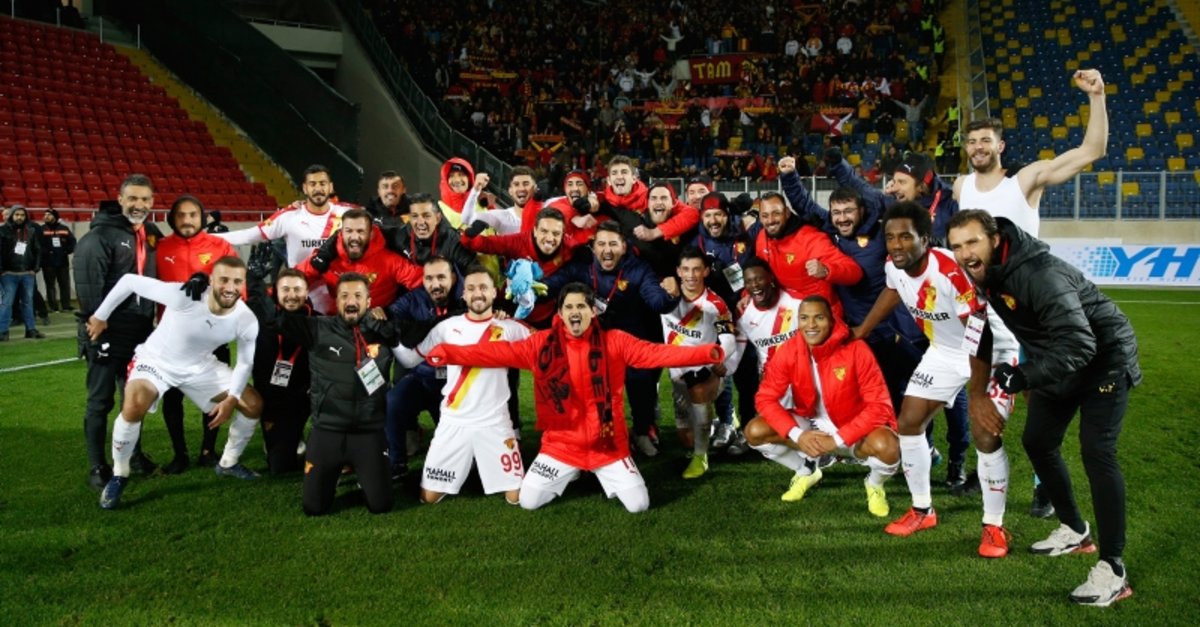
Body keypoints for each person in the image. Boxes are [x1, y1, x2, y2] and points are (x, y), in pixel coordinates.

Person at [947, 210, 1139, 606]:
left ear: (995, 239)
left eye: (972, 242)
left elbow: (1081, 343)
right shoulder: (984, 273)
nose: (965, 253)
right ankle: (1076, 531)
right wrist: (981, 391)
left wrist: (1025, 375)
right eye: (957, 246)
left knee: (1098, 453)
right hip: (1056, 359)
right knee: (1037, 442)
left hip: (1104, 359)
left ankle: (1113, 569)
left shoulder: (1039, 274)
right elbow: (980, 330)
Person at [424, 283, 724, 513]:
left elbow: (656, 353)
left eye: (581, 305)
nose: (575, 312)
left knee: (638, 505)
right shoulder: (541, 344)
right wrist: (449, 352)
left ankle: (597, 471)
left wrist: (705, 353)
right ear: (560, 314)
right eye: (568, 307)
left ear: (593, 311)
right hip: (561, 447)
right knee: (528, 501)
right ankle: (572, 472)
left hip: (608, 446)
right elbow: (495, 353)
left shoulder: (615, 341)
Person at [853, 202, 1019, 558]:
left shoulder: (949, 271)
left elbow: (980, 334)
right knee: (909, 421)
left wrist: (978, 396)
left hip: (992, 350)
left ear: (925, 239)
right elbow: (893, 289)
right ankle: (922, 509)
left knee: (985, 433)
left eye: (905, 237)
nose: (896, 245)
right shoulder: (894, 266)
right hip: (945, 350)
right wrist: (863, 330)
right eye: (890, 237)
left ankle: (994, 525)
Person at [88, 256, 265, 509]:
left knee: (253, 404)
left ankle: (229, 462)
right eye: (224, 280)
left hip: (200, 367)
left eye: (237, 281)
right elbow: (128, 281)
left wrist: (232, 398)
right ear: (211, 280)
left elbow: (245, 364)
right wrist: (100, 316)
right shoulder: (185, 296)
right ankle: (120, 474)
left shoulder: (246, 319)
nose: (230, 287)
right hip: (156, 362)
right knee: (134, 406)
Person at [747, 296, 900, 515]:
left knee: (888, 447)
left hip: (852, 430)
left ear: (831, 320)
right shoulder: (790, 350)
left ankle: (874, 485)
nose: (811, 325)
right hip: (812, 427)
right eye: (804, 318)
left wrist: (837, 439)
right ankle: (807, 469)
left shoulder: (856, 349)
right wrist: (798, 434)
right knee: (755, 431)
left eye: (819, 317)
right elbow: (765, 398)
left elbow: (880, 407)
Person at [542, 221, 681, 456]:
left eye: (613, 244)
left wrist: (671, 295)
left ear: (624, 247)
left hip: (631, 339)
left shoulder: (639, 269)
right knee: (593, 389)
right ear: (593, 247)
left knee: (642, 384)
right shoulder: (582, 267)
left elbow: (657, 302)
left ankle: (641, 432)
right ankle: (593, 435)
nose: (607, 250)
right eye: (602, 244)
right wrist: (531, 289)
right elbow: (553, 284)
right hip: (595, 343)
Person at [395, 266, 532, 504]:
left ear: (493, 293)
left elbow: (545, 349)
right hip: (454, 421)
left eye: (483, 288)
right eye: (471, 288)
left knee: (516, 497)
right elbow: (409, 359)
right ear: (464, 294)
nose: (477, 293)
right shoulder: (446, 327)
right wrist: (390, 338)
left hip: (495, 422)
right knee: (429, 497)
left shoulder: (512, 328)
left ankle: (476, 463)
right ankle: (465, 464)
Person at [281, 272, 400, 516]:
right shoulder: (318, 328)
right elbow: (275, 320)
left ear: (369, 301)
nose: (351, 301)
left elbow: (417, 347)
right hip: (328, 431)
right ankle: (331, 473)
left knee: (381, 505)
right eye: (344, 296)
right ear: (336, 301)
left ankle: (365, 476)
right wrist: (258, 287)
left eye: (357, 295)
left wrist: (390, 330)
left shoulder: (384, 331)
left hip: (368, 432)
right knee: (314, 508)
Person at [75, 175, 164, 488]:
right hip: (107, 331)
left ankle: (133, 455)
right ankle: (97, 466)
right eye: (133, 198)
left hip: (140, 332)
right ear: (120, 199)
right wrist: (96, 324)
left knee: (135, 399)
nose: (139, 205)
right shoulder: (99, 237)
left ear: (152, 202)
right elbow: (88, 289)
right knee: (100, 401)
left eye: (145, 199)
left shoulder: (150, 233)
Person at [953, 70, 1109, 237]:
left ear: (1000, 146)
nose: (978, 147)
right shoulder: (961, 185)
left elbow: (1092, 151)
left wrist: (1097, 96)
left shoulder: (1024, 179)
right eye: (972, 142)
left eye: (985, 140)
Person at [155, 195, 240, 473]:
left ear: (202, 218)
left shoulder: (220, 246)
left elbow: (237, 285)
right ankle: (179, 455)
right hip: (172, 340)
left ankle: (208, 451)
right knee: (172, 398)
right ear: (172, 219)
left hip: (212, 336)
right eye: (181, 215)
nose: (187, 220)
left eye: (193, 214)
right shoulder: (161, 248)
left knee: (215, 395)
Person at [216, 164, 351, 312]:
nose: (318, 188)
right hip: (299, 298)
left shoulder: (348, 214)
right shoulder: (289, 217)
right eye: (312, 184)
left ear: (331, 187)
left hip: (339, 298)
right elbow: (249, 235)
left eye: (322, 183)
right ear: (305, 188)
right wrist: (208, 237)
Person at [660, 248, 740, 479]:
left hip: (703, 369)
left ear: (705, 271)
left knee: (699, 402)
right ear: (678, 271)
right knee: (686, 438)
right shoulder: (665, 294)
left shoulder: (716, 304)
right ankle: (712, 421)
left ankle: (701, 457)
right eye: (686, 269)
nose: (691, 275)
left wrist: (719, 358)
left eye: (696, 269)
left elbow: (729, 339)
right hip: (677, 371)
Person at [385, 256, 464, 477]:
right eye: (429, 278)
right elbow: (394, 323)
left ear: (453, 278)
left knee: (457, 456)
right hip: (422, 378)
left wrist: (419, 330)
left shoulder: (466, 298)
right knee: (393, 401)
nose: (435, 284)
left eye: (441, 277)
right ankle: (396, 462)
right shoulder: (414, 298)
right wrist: (439, 324)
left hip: (455, 384)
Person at [245, 262, 314, 475]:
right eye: (285, 289)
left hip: (305, 398)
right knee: (280, 467)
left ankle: (319, 440)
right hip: (273, 399)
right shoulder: (258, 316)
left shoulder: (316, 320)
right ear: (275, 292)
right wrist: (252, 279)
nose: (291, 295)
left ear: (307, 292)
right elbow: (234, 297)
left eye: (297, 289)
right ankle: (288, 438)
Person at [753, 191, 862, 318]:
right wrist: (747, 295)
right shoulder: (762, 236)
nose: (770, 220)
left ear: (787, 213)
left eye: (776, 213)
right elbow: (759, 273)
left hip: (818, 315)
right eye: (765, 216)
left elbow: (855, 272)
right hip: (785, 311)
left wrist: (827, 270)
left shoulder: (810, 239)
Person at [297, 209, 423, 315]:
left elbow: (424, 283)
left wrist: (393, 311)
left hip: (376, 326)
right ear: (341, 233)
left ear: (371, 234)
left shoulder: (391, 261)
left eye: (361, 231)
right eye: (349, 231)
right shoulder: (327, 257)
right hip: (337, 325)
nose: (354, 237)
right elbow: (294, 280)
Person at [393, 193, 477, 272]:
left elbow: (474, 270)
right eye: (415, 216)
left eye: (426, 216)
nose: (420, 222)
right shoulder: (400, 237)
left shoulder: (453, 241)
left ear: (438, 218)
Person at [0, 204, 45, 340]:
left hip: (27, 274)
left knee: (28, 303)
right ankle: (3, 332)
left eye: (22, 215)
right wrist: (1, 271)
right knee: (7, 303)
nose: (19, 217)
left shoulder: (30, 231)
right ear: (12, 215)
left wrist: (35, 269)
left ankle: (30, 330)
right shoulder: (2, 231)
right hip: (8, 274)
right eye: (17, 214)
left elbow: (37, 250)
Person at [39, 208, 76, 312]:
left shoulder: (64, 228)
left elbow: (72, 242)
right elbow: (38, 244)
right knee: (50, 285)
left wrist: (66, 251)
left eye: (49, 215)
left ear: (55, 216)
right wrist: (45, 253)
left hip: (62, 261)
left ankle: (66, 306)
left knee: (64, 284)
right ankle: (53, 307)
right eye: (45, 215)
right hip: (47, 262)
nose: (46, 216)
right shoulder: (41, 229)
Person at [364, 170, 411, 236]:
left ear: (403, 190)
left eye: (395, 186)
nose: (390, 190)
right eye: (385, 187)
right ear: (379, 192)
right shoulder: (371, 209)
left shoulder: (413, 206)